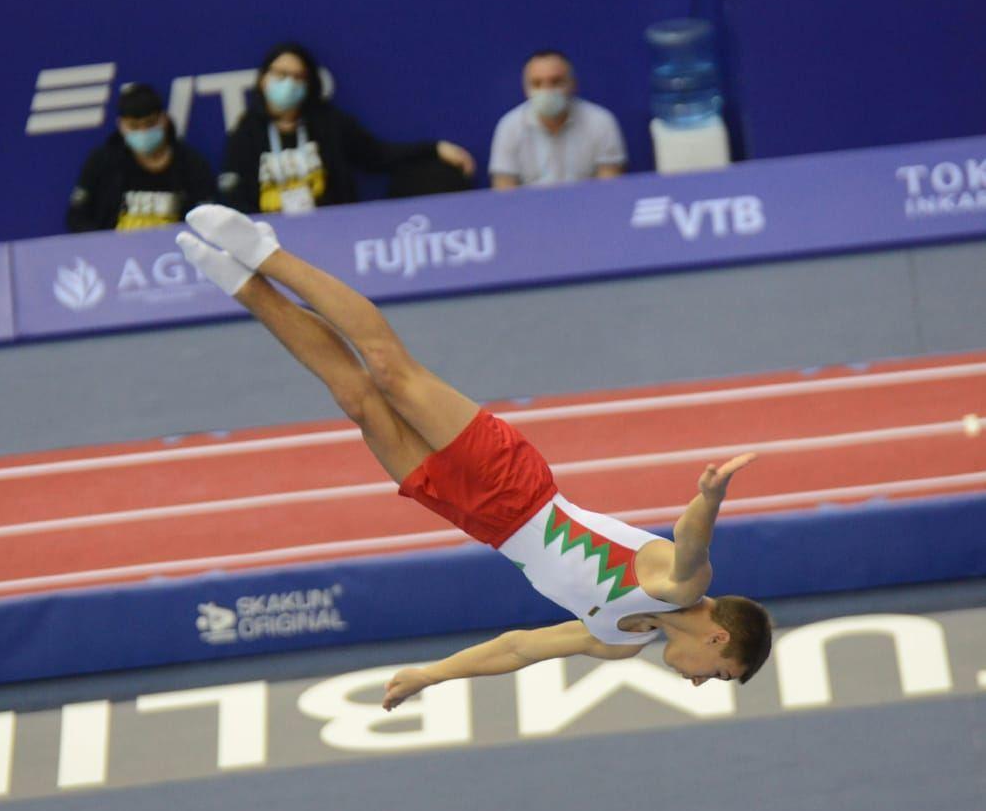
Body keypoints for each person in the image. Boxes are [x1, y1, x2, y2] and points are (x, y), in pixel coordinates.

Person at [173, 205, 773, 711]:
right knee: (389, 370)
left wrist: (431, 674)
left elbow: (517, 648)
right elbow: (691, 534)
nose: (697, 680)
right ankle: (268, 254)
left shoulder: (616, 640)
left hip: (481, 521)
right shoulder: (682, 584)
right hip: (518, 487)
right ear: (719, 638)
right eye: (716, 673)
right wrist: (711, 494)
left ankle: (243, 285)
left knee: (358, 401)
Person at [220, 42, 476, 214]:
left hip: (332, 232)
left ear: (309, 85)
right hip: (270, 243)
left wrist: (434, 148)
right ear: (263, 79)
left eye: (298, 77)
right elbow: (234, 198)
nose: (288, 84)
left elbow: (378, 155)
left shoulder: (330, 124)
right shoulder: (244, 133)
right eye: (280, 74)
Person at [67, 83, 215, 232]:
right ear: (121, 125)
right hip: (114, 251)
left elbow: (207, 217)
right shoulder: (103, 161)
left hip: (174, 251)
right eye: (134, 126)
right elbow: (77, 216)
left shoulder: (191, 163)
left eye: (150, 124)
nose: (143, 132)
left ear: (163, 119)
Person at [490, 50, 627, 190]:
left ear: (572, 84)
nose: (546, 90)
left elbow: (610, 188)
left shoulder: (601, 122)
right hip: (530, 209)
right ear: (526, 89)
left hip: (589, 206)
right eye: (537, 84)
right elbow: (504, 193)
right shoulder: (509, 127)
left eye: (556, 82)